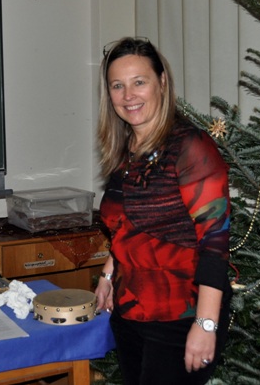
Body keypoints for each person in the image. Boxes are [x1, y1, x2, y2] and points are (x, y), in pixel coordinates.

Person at [94, 37, 232, 385]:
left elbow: (215, 242)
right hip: (130, 309)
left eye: (139, 82)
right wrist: (108, 276)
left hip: (181, 315)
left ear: (162, 82)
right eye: (117, 86)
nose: (128, 95)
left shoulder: (190, 146)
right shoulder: (126, 148)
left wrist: (206, 324)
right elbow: (125, 226)